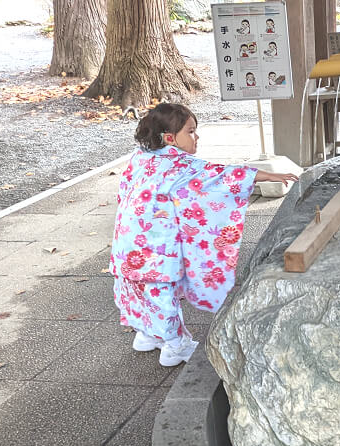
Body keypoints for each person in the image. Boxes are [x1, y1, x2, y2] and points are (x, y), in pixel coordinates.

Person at [110, 103, 298, 366]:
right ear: (169, 137)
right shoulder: (180, 165)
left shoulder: (141, 158)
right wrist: (268, 175)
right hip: (157, 250)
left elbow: (124, 193)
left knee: (139, 291)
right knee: (163, 294)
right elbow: (223, 176)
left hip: (127, 243)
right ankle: (174, 346)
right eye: (191, 131)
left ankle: (147, 335)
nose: (196, 137)